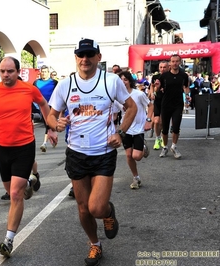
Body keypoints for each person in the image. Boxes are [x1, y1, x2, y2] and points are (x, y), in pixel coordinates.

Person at [46, 38, 137, 266]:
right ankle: (95, 244)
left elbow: (131, 107)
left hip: (104, 152)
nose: (84, 59)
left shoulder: (111, 81)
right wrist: (55, 123)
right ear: (76, 57)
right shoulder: (66, 84)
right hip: (76, 153)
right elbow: (50, 113)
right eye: (80, 55)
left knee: (96, 207)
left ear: (98, 57)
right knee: (83, 208)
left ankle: (107, 212)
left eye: (89, 54)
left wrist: (121, 133)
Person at [0, 57, 57, 258]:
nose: (6, 75)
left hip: (24, 146)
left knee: (14, 194)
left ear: (18, 71)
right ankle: (30, 180)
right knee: (11, 191)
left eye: (10, 71)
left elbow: (44, 105)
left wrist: (51, 128)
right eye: (2, 71)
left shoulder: (28, 89)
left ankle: (8, 240)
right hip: (2, 148)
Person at [117, 71, 152, 189]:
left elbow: (151, 105)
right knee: (128, 155)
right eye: (121, 80)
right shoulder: (117, 97)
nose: (123, 82)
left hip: (138, 128)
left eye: (125, 80)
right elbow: (115, 113)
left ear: (130, 81)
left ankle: (143, 147)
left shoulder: (138, 94)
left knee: (136, 156)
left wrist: (148, 120)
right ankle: (136, 177)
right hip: (126, 128)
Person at [154, 54, 189, 159]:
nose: (175, 63)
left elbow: (186, 88)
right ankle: (164, 147)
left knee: (176, 127)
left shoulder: (184, 75)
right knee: (164, 129)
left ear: (180, 62)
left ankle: (174, 146)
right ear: (170, 63)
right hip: (166, 104)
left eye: (177, 61)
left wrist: (187, 97)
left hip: (178, 104)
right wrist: (156, 88)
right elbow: (157, 90)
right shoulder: (164, 76)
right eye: (173, 61)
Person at [33, 65, 58, 152]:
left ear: (48, 73)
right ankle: (54, 136)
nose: (43, 73)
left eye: (45, 72)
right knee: (48, 124)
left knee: (48, 124)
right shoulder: (36, 83)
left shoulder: (54, 82)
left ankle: (44, 143)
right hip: (41, 106)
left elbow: (58, 94)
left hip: (52, 106)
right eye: (42, 72)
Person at [150, 61, 169, 150]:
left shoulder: (170, 76)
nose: (162, 69)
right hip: (157, 101)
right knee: (156, 121)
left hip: (166, 101)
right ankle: (157, 139)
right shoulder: (155, 77)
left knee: (161, 122)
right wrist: (152, 93)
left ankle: (162, 137)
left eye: (164, 67)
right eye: (161, 67)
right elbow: (152, 86)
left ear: (168, 67)